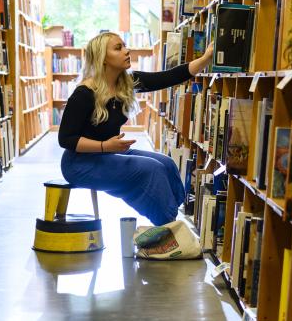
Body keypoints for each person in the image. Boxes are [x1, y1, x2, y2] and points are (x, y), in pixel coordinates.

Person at [58, 32, 214, 225]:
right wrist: (104, 146)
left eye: (124, 46)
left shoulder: (126, 83)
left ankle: (169, 218)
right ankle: (167, 226)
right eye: (118, 48)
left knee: (166, 163)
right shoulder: (84, 94)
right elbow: (66, 139)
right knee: (152, 169)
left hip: (108, 152)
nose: (127, 50)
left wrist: (206, 58)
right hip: (79, 163)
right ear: (102, 58)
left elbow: (168, 77)